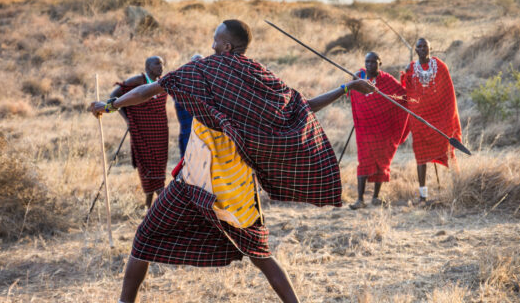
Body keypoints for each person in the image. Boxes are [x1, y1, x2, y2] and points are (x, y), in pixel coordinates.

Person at [90, 19, 375, 303]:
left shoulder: (204, 70)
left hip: (196, 181)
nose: (211, 45)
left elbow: (147, 91)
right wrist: (346, 87)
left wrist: (110, 106)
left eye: (216, 40)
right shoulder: (262, 79)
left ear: (227, 46)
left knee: (144, 239)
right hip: (235, 190)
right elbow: (304, 108)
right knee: (261, 256)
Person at [401, 38, 462, 203]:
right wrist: (406, 74)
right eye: (419, 46)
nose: (422, 49)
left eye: (425, 46)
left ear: (431, 48)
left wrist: (448, 118)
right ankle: (423, 195)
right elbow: (408, 92)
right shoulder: (412, 68)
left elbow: (448, 94)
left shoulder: (440, 66)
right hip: (420, 118)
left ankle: (459, 188)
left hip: (440, 117)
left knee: (448, 151)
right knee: (421, 156)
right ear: (416, 50)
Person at [348, 52, 409, 209]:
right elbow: (351, 94)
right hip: (364, 128)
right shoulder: (358, 76)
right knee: (364, 161)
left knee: (381, 161)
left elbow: (402, 96)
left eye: (373, 62)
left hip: (382, 128)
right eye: (367, 62)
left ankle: (375, 197)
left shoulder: (386, 79)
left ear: (379, 63)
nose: (369, 65)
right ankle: (360, 200)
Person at [110, 56, 168, 209]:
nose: (161, 67)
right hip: (142, 130)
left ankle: (148, 206)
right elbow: (114, 96)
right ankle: (164, 206)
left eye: (162, 64)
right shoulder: (137, 81)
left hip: (160, 131)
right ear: (148, 66)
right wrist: (127, 119)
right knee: (148, 165)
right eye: (157, 64)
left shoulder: (163, 82)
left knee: (159, 166)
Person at [174, 53, 203, 157]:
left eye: (201, 63)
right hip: (188, 129)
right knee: (188, 161)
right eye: (195, 63)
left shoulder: (209, 83)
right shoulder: (182, 83)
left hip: (205, 132)